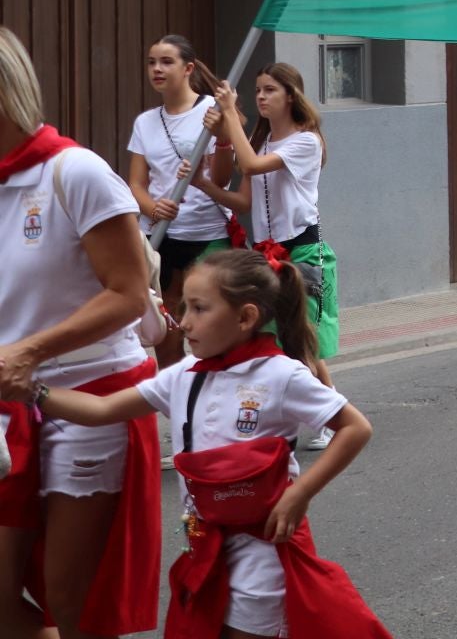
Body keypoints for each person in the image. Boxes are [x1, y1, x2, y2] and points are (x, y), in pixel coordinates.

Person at [27, 248, 389, 637]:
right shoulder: (183, 374)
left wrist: (299, 494)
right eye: (184, 307)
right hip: (203, 544)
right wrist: (33, 391)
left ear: (245, 317)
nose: (184, 322)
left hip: (263, 548)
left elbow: (355, 428)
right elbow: (103, 410)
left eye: (199, 309)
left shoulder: (282, 375)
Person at [0, 26, 158, 638]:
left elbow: (127, 294)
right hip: (8, 403)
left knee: (74, 603)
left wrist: (30, 350)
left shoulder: (76, 171)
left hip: (89, 396)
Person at [197, 64, 348, 449]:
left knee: (304, 343)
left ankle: (332, 417)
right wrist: (203, 184)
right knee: (276, 340)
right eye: (258, 90)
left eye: (270, 90)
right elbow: (244, 200)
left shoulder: (306, 141)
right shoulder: (261, 141)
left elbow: (249, 165)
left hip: (302, 251)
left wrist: (229, 115)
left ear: (290, 96)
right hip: (267, 254)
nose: (262, 97)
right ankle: (309, 416)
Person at [127, 34, 229, 369]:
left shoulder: (212, 111)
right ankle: (177, 398)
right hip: (160, 238)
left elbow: (222, 179)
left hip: (206, 235)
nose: (157, 69)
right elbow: (136, 184)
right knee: (166, 339)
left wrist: (223, 137)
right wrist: (153, 208)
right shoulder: (145, 122)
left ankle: (209, 395)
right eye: (151, 62)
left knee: (210, 336)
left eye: (166, 62)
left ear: (188, 68)